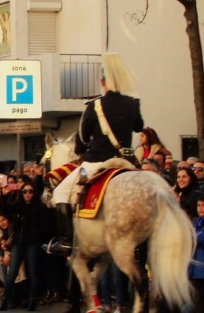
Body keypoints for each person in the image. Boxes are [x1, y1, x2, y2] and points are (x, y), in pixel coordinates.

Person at [47, 53, 143, 256]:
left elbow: (81, 140)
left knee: (60, 193)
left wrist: (83, 149)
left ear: (102, 81)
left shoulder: (95, 106)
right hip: (126, 162)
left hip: (97, 162)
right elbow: (139, 126)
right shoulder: (133, 104)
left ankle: (66, 242)